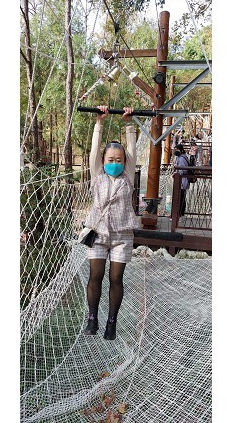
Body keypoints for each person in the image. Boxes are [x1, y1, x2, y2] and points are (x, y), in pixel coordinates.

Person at [83, 105, 139, 340]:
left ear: (124, 162)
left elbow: (132, 151)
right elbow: (93, 152)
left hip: (122, 236)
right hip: (98, 233)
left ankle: (111, 321)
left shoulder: (128, 176)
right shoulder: (97, 175)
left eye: (119, 159)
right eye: (110, 159)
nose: (114, 162)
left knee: (116, 278)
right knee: (95, 275)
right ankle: (92, 317)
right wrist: (99, 123)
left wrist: (129, 124)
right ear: (104, 160)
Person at [174, 144, 190, 218]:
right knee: (181, 197)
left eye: (176, 149)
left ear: (180, 150)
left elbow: (183, 170)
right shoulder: (181, 157)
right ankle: (180, 214)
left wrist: (176, 173)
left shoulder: (181, 158)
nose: (175, 151)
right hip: (183, 180)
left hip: (182, 180)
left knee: (180, 197)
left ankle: (180, 214)